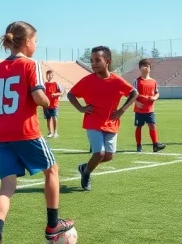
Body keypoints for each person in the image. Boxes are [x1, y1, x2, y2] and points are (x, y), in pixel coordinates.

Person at [0, 21, 74, 244]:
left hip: (0, 132)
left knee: (7, 187)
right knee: (52, 170)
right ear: (27, 41)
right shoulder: (31, 64)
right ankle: (53, 224)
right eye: (36, 41)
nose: (36, 45)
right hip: (25, 130)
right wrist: (51, 99)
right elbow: (38, 97)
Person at [68, 46, 139, 191]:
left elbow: (134, 93)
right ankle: (87, 174)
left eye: (97, 60)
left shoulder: (117, 81)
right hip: (93, 121)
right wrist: (81, 108)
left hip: (111, 122)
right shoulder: (87, 80)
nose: (93, 63)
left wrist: (121, 110)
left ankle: (84, 168)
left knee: (108, 156)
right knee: (99, 153)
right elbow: (71, 94)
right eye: (91, 60)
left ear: (107, 61)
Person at [133, 59, 166, 153]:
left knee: (152, 126)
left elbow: (157, 93)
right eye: (143, 66)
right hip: (140, 109)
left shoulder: (153, 81)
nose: (146, 68)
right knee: (139, 126)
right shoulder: (137, 81)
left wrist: (155, 97)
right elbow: (132, 94)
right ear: (140, 68)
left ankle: (155, 145)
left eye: (147, 66)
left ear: (150, 68)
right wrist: (136, 102)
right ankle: (139, 145)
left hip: (150, 109)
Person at [43, 70, 63, 138]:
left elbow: (61, 92)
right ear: (46, 76)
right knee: (48, 119)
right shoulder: (44, 84)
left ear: (52, 76)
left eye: (50, 75)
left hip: (54, 104)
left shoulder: (56, 84)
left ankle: (55, 132)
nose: (49, 76)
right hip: (46, 104)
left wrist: (55, 94)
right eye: (48, 75)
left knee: (54, 118)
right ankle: (49, 132)